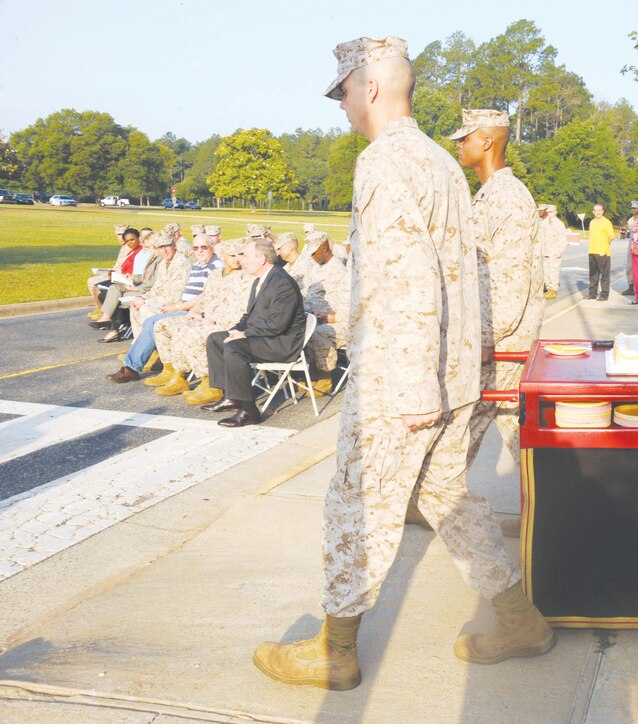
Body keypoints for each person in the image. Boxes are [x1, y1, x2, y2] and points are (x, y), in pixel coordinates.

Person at [250, 36, 553, 692]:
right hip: (453, 367)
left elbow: (408, 274)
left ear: (370, 87)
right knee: (445, 492)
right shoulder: (442, 162)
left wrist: (414, 382)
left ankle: (335, 651)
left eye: (343, 92)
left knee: (356, 500)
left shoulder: (385, 161)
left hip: (405, 373)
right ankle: (518, 619)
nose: (341, 107)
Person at [442, 106, 544, 533]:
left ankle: (438, 500)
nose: (459, 145)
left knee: (469, 419)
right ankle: (546, 507)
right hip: (495, 340)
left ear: (486, 140)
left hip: (501, 341)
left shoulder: (507, 196)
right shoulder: (489, 193)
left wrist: (485, 339)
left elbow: (510, 277)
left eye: (464, 137)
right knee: (499, 421)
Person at [201, 238, 306, 427]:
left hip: (281, 343)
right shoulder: (261, 280)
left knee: (234, 348)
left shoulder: (282, 283)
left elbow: (277, 325)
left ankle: (249, 411)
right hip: (265, 336)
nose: (242, 260)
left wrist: (244, 334)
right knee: (217, 339)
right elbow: (250, 316)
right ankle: (232, 396)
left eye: (246, 256)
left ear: (262, 259)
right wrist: (236, 330)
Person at [106, 235, 224, 384]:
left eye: (204, 247)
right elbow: (160, 287)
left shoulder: (216, 267)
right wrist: (145, 298)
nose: (199, 251)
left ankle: (133, 367)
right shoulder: (198, 265)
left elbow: (204, 297)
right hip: (184, 306)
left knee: (154, 321)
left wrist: (176, 307)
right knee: (149, 319)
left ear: (212, 248)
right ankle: (135, 365)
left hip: (195, 311)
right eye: (196, 248)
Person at [151, 238, 253, 403]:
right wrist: (196, 312)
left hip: (226, 324)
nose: (236, 259)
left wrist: (211, 321)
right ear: (222, 255)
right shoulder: (215, 275)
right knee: (164, 325)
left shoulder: (246, 278)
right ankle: (175, 373)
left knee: (192, 333)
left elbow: (240, 311)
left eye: (240, 254)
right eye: (232, 255)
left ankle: (211, 383)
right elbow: (204, 298)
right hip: (206, 318)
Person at [299, 230, 351, 396]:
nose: (312, 257)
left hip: (337, 322)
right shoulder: (315, 269)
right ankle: (310, 372)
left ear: (326, 248)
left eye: (315, 252)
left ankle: (323, 376)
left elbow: (348, 304)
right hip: (316, 317)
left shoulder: (339, 271)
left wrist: (333, 317)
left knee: (319, 332)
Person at [586, 203, 616, 301]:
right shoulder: (591, 222)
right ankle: (592, 293)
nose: (598, 212)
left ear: (603, 211)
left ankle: (604, 294)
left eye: (600, 210)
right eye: (596, 210)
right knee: (593, 275)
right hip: (592, 251)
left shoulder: (606, 222)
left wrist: (605, 247)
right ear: (593, 212)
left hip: (603, 253)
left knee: (604, 275)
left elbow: (611, 236)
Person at [540, 204, 566, 299]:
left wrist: (560, 252)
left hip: (554, 252)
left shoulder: (559, 224)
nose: (549, 213)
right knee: (546, 272)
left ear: (555, 212)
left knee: (553, 271)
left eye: (551, 212)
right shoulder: (544, 223)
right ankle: (548, 288)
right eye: (548, 212)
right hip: (545, 251)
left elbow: (562, 239)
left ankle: (553, 290)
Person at [622, 200, 638, 295]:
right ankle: (631, 286)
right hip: (632, 244)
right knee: (629, 266)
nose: (634, 210)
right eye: (632, 208)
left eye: (636, 208)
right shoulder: (630, 221)